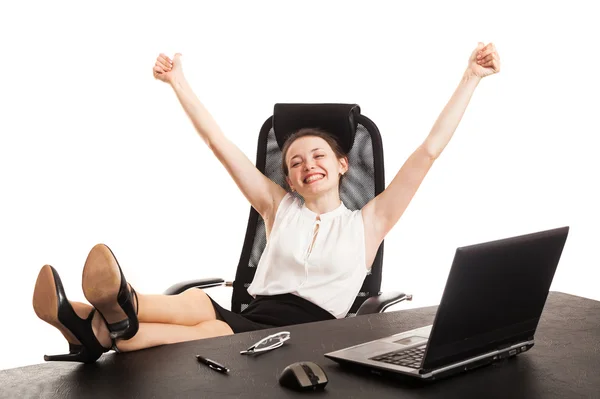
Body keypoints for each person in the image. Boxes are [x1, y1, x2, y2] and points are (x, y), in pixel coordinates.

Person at [32, 42, 501, 363]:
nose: (306, 165)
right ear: (290, 179)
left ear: (343, 165)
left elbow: (428, 152)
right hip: (252, 315)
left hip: (307, 335)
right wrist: (178, 81)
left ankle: (105, 324)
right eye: (295, 162)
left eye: (318, 156)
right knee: (198, 304)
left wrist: (471, 77)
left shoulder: (369, 222)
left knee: (211, 334)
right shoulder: (279, 208)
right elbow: (219, 144)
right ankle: (109, 312)